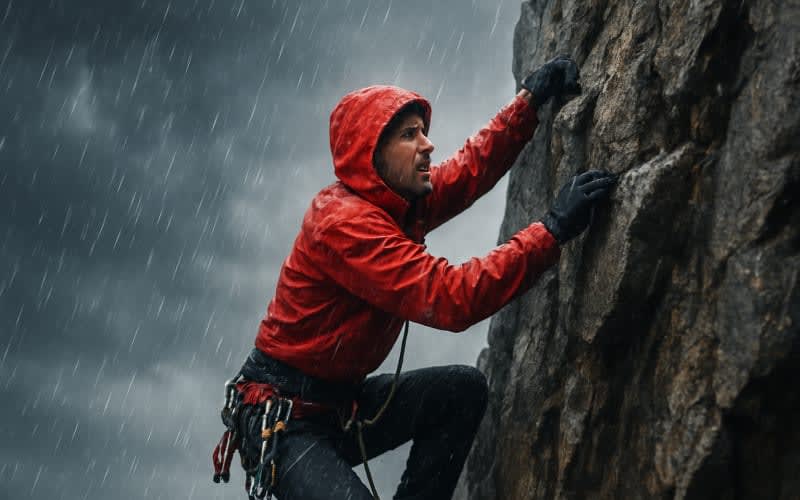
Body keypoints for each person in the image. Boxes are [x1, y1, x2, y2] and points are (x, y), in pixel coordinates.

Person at [212, 56, 617, 500]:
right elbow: (452, 299)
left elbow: (467, 170)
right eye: (410, 136)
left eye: (422, 132)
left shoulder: (397, 200)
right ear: (371, 155)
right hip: (286, 419)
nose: (427, 145)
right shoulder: (343, 224)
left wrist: (529, 103)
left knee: (461, 393)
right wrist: (552, 229)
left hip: (339, 405)